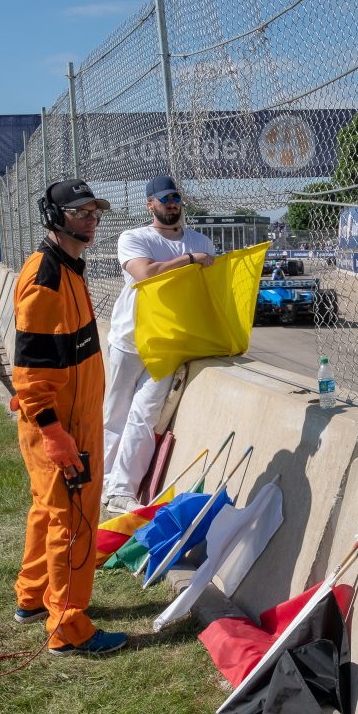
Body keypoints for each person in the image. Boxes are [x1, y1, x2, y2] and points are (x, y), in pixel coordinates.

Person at [11, 178, 127, 656]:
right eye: (80, 213)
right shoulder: (47, 278)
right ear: (54, 217)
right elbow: (31, 370)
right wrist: (54, 431)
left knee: (48, 510)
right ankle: (67, 626)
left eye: (94, 213)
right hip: (61, 427)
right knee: (74, 522)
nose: (91, 220)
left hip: (68, 420)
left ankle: (32, 596)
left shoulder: (68, 268)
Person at [101, 174, 217, 514]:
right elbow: (147, 274)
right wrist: (190, 260)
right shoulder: (134, 237)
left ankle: (121, 489)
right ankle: (102, 482)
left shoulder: (201, 241)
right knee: (116, 414)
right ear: (150, 204)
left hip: (170, 343)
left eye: (176, 198)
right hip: (130, 339)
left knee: (145, 413)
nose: (172, 204)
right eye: (165, 199)